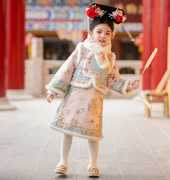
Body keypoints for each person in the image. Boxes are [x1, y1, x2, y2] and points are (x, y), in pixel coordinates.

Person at [46, 3, 140, 177]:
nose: (103, 36)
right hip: (75, 94)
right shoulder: (81, 49)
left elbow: (112, 80)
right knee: (67, 130)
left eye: (107, 33)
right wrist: (53, 89)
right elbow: (67, 68)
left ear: (112, 35)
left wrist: (128, 84)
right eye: (99, 32)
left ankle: (93, 164)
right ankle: (62, 162)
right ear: (90, 33)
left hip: (94, 99)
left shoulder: (110, 57)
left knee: (93, 134)